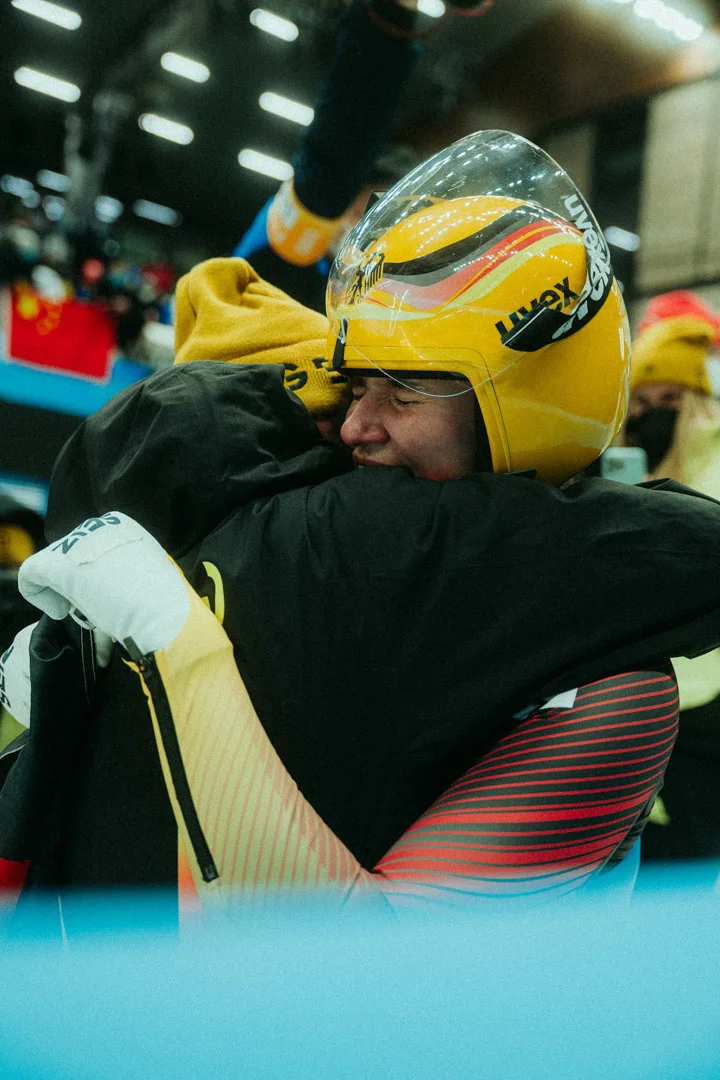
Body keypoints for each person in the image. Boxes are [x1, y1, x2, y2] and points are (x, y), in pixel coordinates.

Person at [3, 132, 720, 915]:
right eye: (356, 386)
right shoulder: (355, 537)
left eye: (405, 392)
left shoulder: (618, 693)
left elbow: (374, 956)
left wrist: (180, 649)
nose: (356, 426)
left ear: (530, 408)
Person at [623, 291, 720, 864]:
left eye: (669, 399)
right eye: (642, 400)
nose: (651, 412)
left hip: (707, 701)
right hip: (644, 695)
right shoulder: (621, 464)